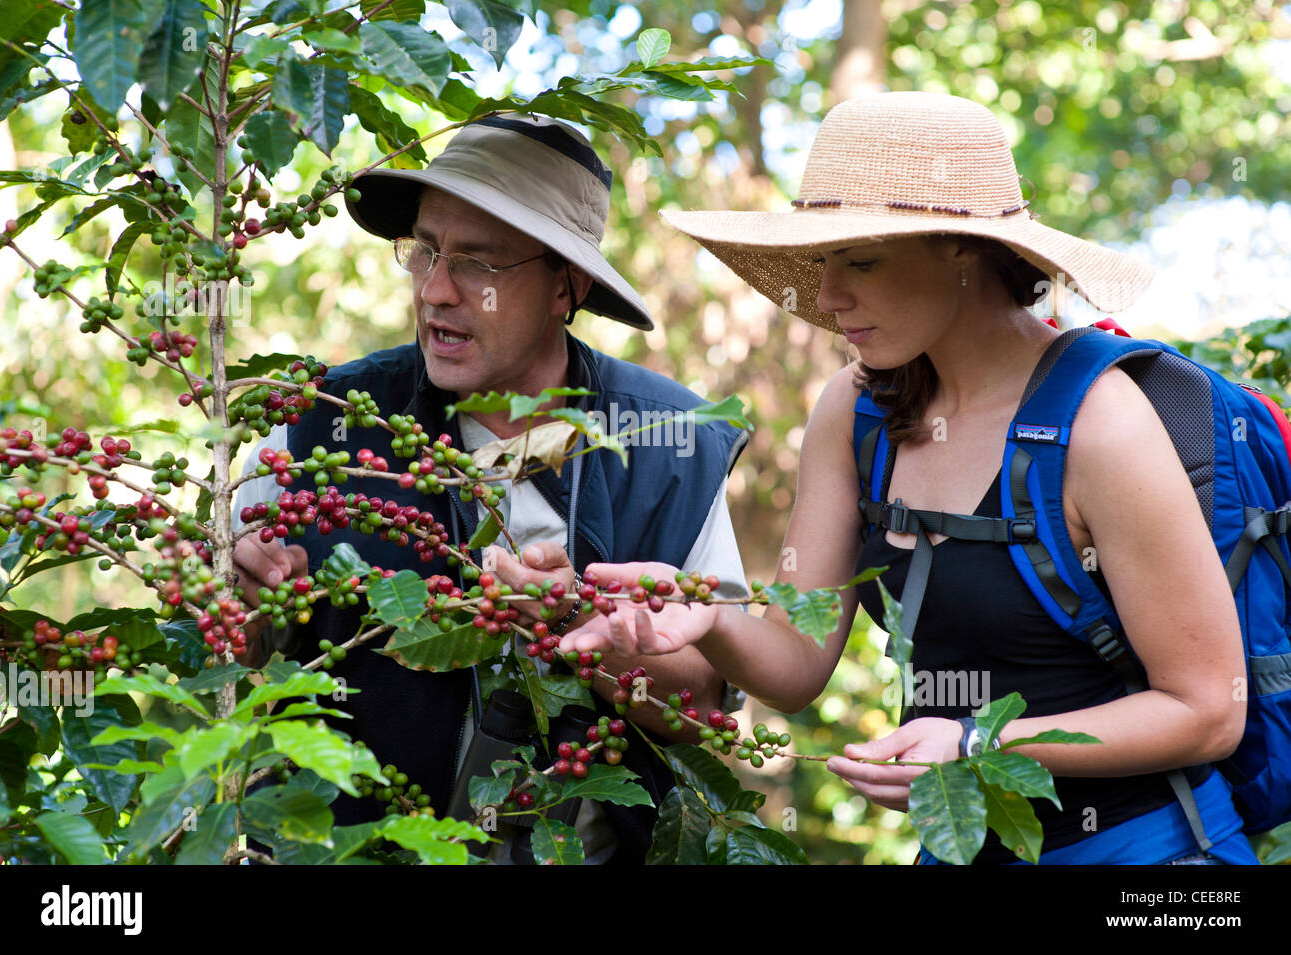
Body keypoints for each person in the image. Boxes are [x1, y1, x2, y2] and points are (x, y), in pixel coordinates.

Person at [560, 91, 1257, 865]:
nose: (826, 296)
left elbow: (1206, 711)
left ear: (961, 247)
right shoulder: (856, 412)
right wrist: (711, 617)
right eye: (822, 263)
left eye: (860, 260)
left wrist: (976, 738)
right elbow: (796, 665)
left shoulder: (1102, 422)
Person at [230, 115, 750, 863]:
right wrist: (241, 594)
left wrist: (579, 630)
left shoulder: (673, 448)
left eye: (480, 263)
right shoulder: (323, 426)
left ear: (564, 286)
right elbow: (231, 647)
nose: (436, 290)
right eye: (428, 250)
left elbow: (701, 708)